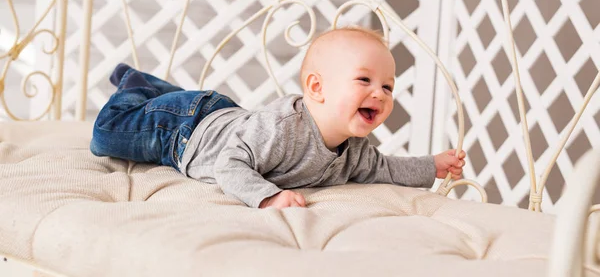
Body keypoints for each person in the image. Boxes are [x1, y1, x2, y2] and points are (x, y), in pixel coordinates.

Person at [91, 26, 466, 209]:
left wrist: (432, 166)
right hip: (184, 130)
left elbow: (385, 169)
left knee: (168, 106)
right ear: (316, 88)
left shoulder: (355, 150)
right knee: (104, 137)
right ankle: (134, 87)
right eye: (364, 80)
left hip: (223, 116)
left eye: (388, 87)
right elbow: (228, 164)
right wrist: (267, 198)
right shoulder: (282, 130)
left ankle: (158, 91)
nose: (379, 94)